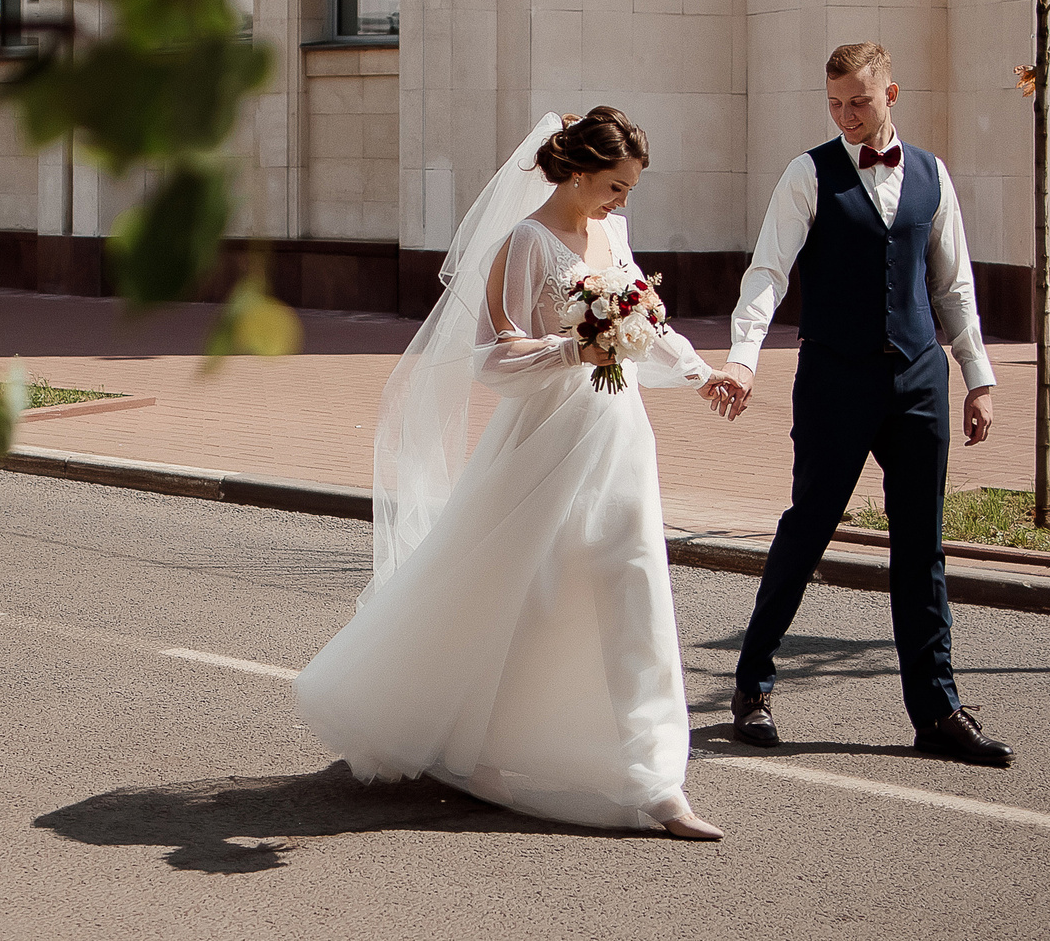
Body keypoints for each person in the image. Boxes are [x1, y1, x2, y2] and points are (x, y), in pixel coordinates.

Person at [294, 108, 728, 839]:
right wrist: (572, 352)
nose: (624, 202)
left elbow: (644, 329)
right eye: (616, 186)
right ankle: (475, 743)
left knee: (634, 581)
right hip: (545, 440)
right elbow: (494, 356)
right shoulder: (523, 243)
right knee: (523, 592)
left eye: (630, 190)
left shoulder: (613, 233)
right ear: (581, 171)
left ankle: (658, 781)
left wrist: (701, 370)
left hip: (617, 437)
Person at [702, 43, 1014, 766]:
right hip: (835, 379)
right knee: (808, 526)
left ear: (891, 93)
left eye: (860, 101)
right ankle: (752, 685)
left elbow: (953, 286)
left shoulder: (933, 175)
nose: (846, 115)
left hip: (918, 380)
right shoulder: (806, 174)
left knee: (922, 546)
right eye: (835, 102)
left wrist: (979, 377)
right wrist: (743, 361)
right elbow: (767, 272)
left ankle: (936, 709)